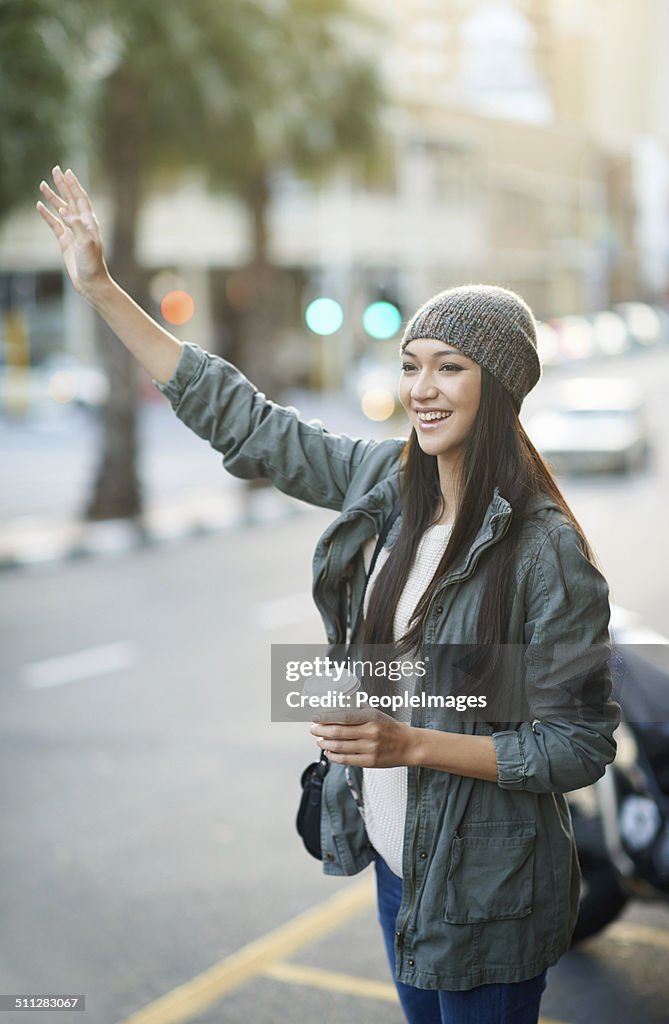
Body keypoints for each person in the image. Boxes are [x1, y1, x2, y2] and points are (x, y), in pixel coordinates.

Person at [37, 166, 620, 1024]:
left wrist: (409, 743)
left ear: (497, 388)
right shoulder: (387, 484)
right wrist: (101, 289)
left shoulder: (546, 551)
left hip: (488, 894)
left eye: (448, 368)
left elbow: (577, 746)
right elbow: (247, 422)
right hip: (398, 869)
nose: (420, 389)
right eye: (411, 364)